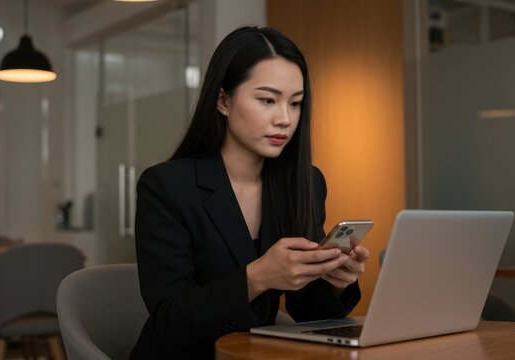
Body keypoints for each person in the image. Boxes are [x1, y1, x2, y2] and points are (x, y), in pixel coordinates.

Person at [130, 26, 370, 359]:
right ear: (223, 100)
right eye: (267, 100)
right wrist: (257, 277)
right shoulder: (166, 186)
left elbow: (309, 314)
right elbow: (171, 322)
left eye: (296, 103)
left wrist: (335, 280)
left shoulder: (306, 182)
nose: (285, 119)